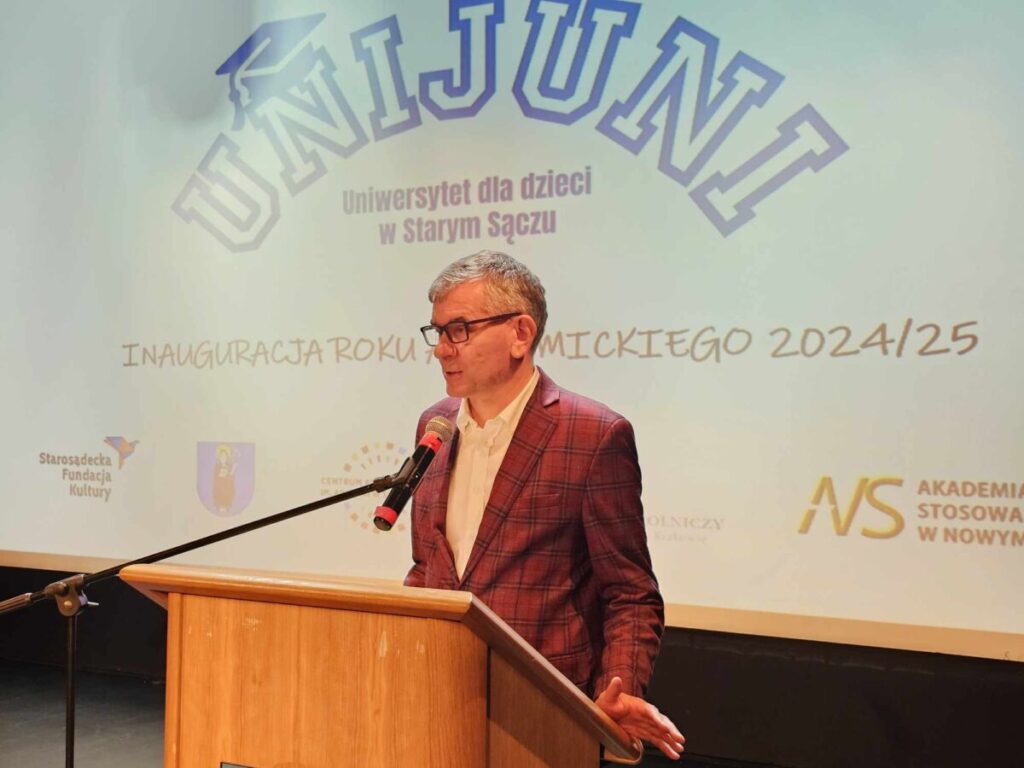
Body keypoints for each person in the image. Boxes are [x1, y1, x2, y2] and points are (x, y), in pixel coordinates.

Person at [403, 251, 684, 760]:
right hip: (436, 704)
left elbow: (630, 593)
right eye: (437, 331)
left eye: (459, 330)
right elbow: (429, 566)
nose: (442, 349)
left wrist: (619, 690)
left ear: (520, 333)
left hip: (543, 720)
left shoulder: (594, 434)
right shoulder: (435, 425)